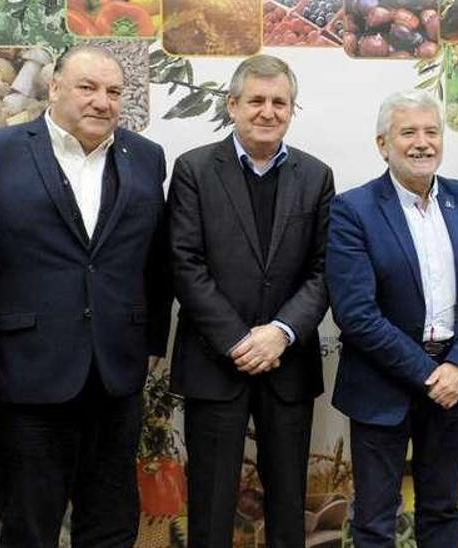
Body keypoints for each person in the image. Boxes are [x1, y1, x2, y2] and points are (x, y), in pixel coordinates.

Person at [0, 45, 172, 547]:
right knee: (28, 526)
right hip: (26, 371)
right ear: (54, 88)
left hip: (116, 374)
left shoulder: (146, 159)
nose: (103, 102)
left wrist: (151, 346)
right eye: (88, 87)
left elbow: (157, 264)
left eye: (114, 92)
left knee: (112, 525)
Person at [327, 90, 458, 546]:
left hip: (456, 382)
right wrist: (431, 375)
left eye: (432, 132)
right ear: (383, 144)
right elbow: (357, 314)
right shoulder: (354, 210)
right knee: (373, 519)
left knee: (442, 511)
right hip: (382, 384)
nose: (422, 143)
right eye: (408, 132)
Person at [168, 55, 334, 547]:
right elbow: (184, 263)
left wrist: (279, 333)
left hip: (288, 363)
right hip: (216, 362)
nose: (268, 111)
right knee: (211, 505)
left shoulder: (316, 175)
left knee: (288, 509)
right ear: (233, 105)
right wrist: (240, 340)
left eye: (279, 102)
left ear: (291, 109)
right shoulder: (194, 169)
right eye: (256, 100)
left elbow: (324, 271)